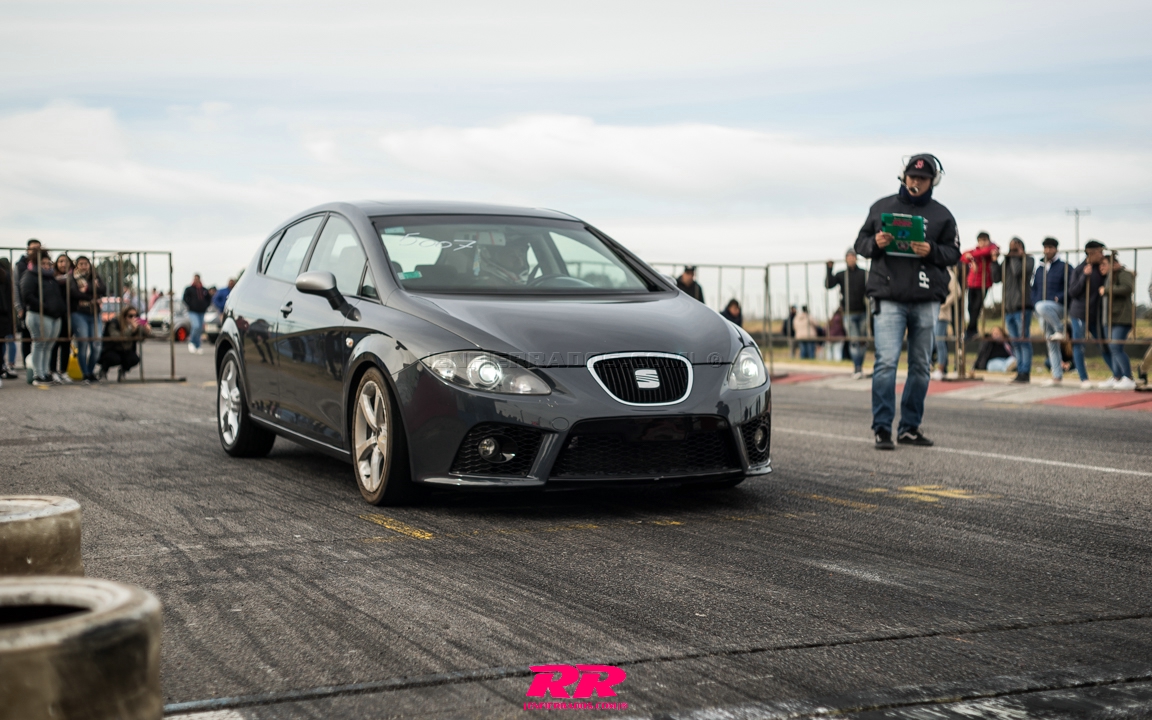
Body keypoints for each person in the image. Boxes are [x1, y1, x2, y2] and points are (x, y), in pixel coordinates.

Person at [854, 153, 960, 450]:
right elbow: (860, 244)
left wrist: (931, 250)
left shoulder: (942, 215)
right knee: (886, 362)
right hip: (889, 298)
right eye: (913, 176)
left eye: (923, 179)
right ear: (904, 176)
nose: (917, 182)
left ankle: (909, 427)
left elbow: (954, 253)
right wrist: (875, 243)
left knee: (921, 365)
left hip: (926, 298)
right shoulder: (881, 207)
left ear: (933, 181)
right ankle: (882, 428)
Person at [19, 249, 68, 386]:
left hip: (54, 316)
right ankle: (37, 374)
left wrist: (59, 308)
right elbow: (27, 295)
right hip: (38, 315)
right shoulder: (30, 275)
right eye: (43, 263)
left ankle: (45, 372)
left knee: (48, 346)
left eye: (48, 263)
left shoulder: (50, 277)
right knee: (39, 344)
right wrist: (44, 307)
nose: (46, 266)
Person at [1067, 240, 1109, 389]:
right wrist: (1084, 276)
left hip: (1094, 314)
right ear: (1091, 253)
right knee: (1079, 345)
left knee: (1103, 344)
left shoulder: (1101, 269)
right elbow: (1072, 292)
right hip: (1079, 313)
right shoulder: (1079, 269)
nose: (1102, 255)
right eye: (1099, 252)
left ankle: (1118, 375)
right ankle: (1083, 378)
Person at [993, 238, 1035, 384]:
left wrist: (1017, 256)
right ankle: (1019, 370)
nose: (1012, 251)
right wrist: (994, 262)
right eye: (1011, 248)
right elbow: (996, 278)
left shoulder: (1028, 260)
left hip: (1022, 307)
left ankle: (1025, 372)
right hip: (1008, 308)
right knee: (1015, 342)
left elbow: (1018, 272)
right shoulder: (1007, 261)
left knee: (1023, 340)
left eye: (1015, 248)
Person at [826, 249, 868, 378]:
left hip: (863, 312)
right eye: (848, 257)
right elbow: (828, 284)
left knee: (863, 341)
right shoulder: (842, 275)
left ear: (856, 258)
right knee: (854, 341)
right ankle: (857, 367)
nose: (851, 259)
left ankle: (860, 366)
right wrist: (829, 269)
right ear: (845, 259)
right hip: (849, 313)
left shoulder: (864, 273)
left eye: (852, 256)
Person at [1032, 237, 1068, 387]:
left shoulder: (1064, 266)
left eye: (1050, 247)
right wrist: (1034, 302)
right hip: (1043, 311)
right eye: (1045, 247)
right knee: (1051, 341)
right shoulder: (1040, 268)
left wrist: (1060, 297)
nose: (1047, 250)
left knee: (1041, 306)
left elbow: (1070, 287)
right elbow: (1034, 288)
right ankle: (1057, 376)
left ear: (1056, 249)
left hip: (1058, 307)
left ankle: (1060, 329)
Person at [1096, 254, 1136, 390]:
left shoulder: (1123, 273)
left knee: (1115, 347)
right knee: (1112, 348)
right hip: (1109, 319)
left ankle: (1128, 377)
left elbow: (1128, 288)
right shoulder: (1108, 277)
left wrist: (1106, 290)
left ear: (1114, 264)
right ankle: (1117, 376)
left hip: (1121, 318)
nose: (1101, 267)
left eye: (1104, 264)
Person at [69, 256, 106, 383]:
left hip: (94, 313)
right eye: (81, 264)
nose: (84, 266)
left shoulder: (95, 276)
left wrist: (87, 289)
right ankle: (85, 373)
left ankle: (90, 371)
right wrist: (92, 294)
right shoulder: (73, 277)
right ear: (77, 265)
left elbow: (103, 289)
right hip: (79, 313)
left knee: (97, 345)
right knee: (83, 343)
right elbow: (74, 293)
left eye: (86, 263)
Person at [961, 232, 1000, 339]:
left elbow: (987, 251)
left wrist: (971, 257)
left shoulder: (992, 248)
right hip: (972, 283)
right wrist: (971, 258)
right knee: (970, 307)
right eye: (980, 241)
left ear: (988, 241)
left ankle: (970, 330)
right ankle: (972, 329)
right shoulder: (976, 251)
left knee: (977, 307)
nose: (982, 243)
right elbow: (963, 256)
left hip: (983, 283)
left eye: (984, 241)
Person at [99, 306, 151, 381]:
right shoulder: (114, 323)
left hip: (126, 350)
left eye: (135, 316)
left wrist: (147, 331)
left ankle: (123, 371)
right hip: (112, 349)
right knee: (113, 358)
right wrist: (130, 330)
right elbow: (116, 337)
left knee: (134, 359)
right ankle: (103, 370)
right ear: (124, 316)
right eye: (130, 316)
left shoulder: (136, 325)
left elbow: (141, 339)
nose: (133, 318)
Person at [932, 265, 962, 381]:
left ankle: (941, 369)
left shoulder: (948, 273)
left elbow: (957, 292)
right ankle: (938, 367)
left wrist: (943, 304)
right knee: (934, 341)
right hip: (932, 313)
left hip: (942, 314)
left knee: (939, 341)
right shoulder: (933, 271)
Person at [15, 238, 42, 367]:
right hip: (26, 306)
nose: (36, 251)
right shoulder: (20, 265)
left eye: (38, 248)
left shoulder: (44, 264)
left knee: (41, 338)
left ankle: (40, 365)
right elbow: (15, 286)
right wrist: (19, 307)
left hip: (42, 306)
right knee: (27, 338)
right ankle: (28, 366)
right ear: (28, 250)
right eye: (33, 248)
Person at [50, 253, 74, 383]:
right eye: (60, 261)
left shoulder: (74, 278)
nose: (63, 264)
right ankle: (52, 371)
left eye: (66, 261)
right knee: (54, 344)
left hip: (69, 314)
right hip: (55, 314)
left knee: (66, 343)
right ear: (56, 264)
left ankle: (63, 371)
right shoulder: (51, 277)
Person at [182, 273, 214, 354]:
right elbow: (185, 298)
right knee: (196, 325)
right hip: (193, 311)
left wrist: (205, 306)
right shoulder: (189, 289)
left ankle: (198, 345)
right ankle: (191, 342)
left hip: (201, 311)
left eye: (197, 279)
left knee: (200, 328)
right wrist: (190, 305)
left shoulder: (204, 289)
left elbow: (209, 299)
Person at [0, 258, 13, 383]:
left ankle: (2, 368)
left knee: (2, 343)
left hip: (3, 314)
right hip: (4, 313)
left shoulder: (4, 275)